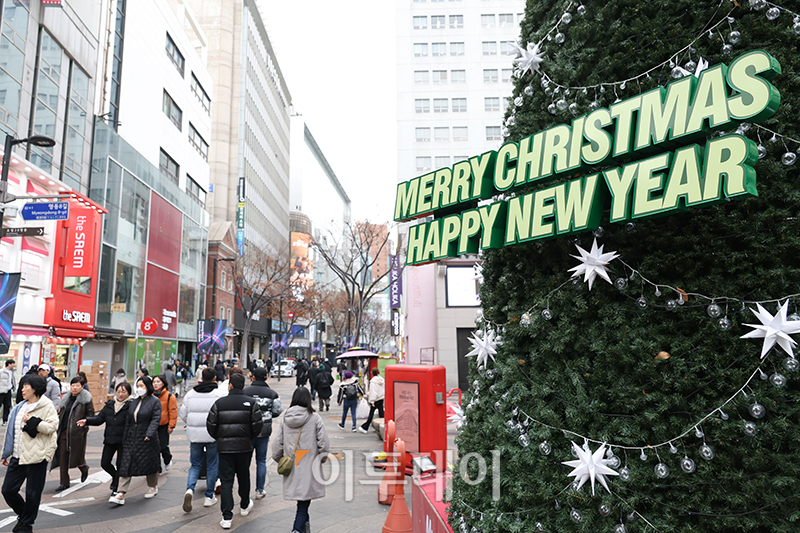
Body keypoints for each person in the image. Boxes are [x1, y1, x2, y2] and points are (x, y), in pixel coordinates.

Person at [1, 376, 59, 533]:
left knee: (33, 493)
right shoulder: (19, 407)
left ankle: (26, 524)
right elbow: (12, 432)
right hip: (17, 455)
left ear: (35, 388)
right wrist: (6, 453)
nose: (22, 389)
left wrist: (34, 421)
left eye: (25, 386)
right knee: (8, 490)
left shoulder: (46, 406)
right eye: (22, 386)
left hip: (37, 456)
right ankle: (25, 515)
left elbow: (53, 427)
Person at [206, 373, 263, 529]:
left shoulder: (219, 403)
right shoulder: (251, 403)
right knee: (244, 476)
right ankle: (244, 505)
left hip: (225, 449)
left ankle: (227, 517)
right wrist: (248, 437)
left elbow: (211, 425)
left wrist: (220, 438)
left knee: (226, 481)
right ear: (243, 385)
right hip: (244, 447)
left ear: (230, 385)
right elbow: (258, 425)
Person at [272, 387, 330, 533]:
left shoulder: (285, 417)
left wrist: (281, 460)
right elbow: (323, 443)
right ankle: (297, 530)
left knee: (302, 502)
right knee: (303, 503)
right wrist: (321, 459)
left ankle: (303, 530)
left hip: (292, 465)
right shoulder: (314, 417)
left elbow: (277, 444)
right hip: (309, 465)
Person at [111, 376, 161, 504]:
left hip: (147, 438)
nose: (139, 388)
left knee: (149, 463)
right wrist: (125, 437)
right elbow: (128, 421)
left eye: (142, 386)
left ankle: (153, 486)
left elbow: (156, 419)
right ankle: (121, 493)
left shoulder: (154, 401)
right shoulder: (133, 402)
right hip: (132, 437)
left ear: (148, 387)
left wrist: (149, 433)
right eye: (138, 385)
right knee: (125, 464)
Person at [178, 367, 221, 512]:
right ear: (215, 378)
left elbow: (183, 413)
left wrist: (191, 424)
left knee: (195, 464)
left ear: (201, 378)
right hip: (212, 435)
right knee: (212, 465)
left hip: (195, 435)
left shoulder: (190, 394)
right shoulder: (218, 394)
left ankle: (190, 489)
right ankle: (209, 496)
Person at [78, 382, 132, 494]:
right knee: (105, 463)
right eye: (118, 392)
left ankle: (116, 488)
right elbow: (99, 419)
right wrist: (87, 420)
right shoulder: (110, 404)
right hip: (110, 439)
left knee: (120, 464)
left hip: (124, 441)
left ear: (128, 393)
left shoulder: (131, 406)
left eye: (123, 392)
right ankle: (115, 475)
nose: (120, 394)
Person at [242, 367, 282, 499]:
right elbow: (277, 411)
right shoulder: (272, 394)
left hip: (247, 429)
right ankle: (260, 489)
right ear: (266, 377)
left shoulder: (244, 392)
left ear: (253, 377)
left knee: (245, 461)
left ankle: (244, 489)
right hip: (264, 429)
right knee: (261, 460)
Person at [51, 377, 94, 491]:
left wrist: (85, 422)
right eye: (73, 385)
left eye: (77, 385)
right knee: (62, 456)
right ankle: (64, 482)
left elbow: (91, 414)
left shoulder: (86, 399)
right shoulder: (66, 398)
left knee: (77, 456)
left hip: (77, 433)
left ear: (82, 386)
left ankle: (84, 468)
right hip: (64, 431)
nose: (74, 388)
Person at [152, 375, 177, 471]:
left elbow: (173, 411)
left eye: (158, 382)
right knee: (154, 448)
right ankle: (157, 468)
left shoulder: (169, 396)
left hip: (164, 425)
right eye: (154, 382)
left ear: (163, 383)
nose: (156, 384)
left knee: (162, 446)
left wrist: (171, 426)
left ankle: (167, 459)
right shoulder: (150, 395)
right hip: (153, 426)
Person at [359, 368, 385, 434]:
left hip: (375, 399)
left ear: (372, 373)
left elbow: (373, 392)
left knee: (371, 414)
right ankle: (383, 427)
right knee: (381, 414)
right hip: (381, 398)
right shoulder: (382, 380)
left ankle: (365, 427)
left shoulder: (373, 381)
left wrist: (372, 401)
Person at [0, 359, 16, 425]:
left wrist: (14, 387)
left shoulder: (12, 372)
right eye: (13, 364)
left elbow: (13, 380)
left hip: (8, 390)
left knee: (7, 405)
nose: (14, 365)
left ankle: (5, 420)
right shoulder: (1, 371)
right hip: (1, 390)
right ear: (9, 364)